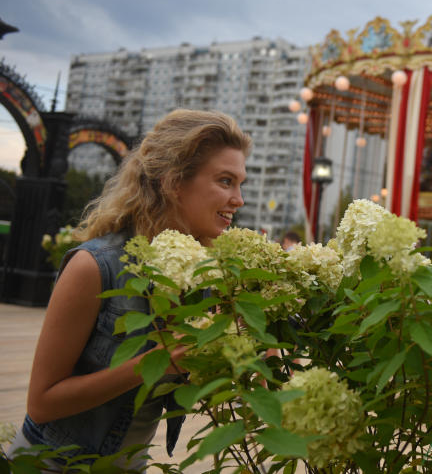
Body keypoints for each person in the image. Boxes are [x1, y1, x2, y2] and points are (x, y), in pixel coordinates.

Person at [6, 109, 251, 469]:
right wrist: (154, 364)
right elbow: (42, 403)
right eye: (226, 181)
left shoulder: (209, 274)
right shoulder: (95, 267)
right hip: (50, 464)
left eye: (240, 184)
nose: (239, 199)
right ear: (174, 182)